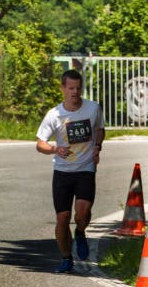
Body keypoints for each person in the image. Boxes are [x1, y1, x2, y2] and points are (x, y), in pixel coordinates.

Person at [36, 69, 105, 273]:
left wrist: (97, 146)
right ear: (63, 88)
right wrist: (56, 149)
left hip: (85, 168)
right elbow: (40, 144)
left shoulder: (93, 109)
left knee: (82, 213)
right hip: (62, 171)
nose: (74, 92)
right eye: (70, 88)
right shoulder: (54, 115)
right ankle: (66, 258)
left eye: (78, 88)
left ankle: (81, 232)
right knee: (62, 218)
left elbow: (100, 129)